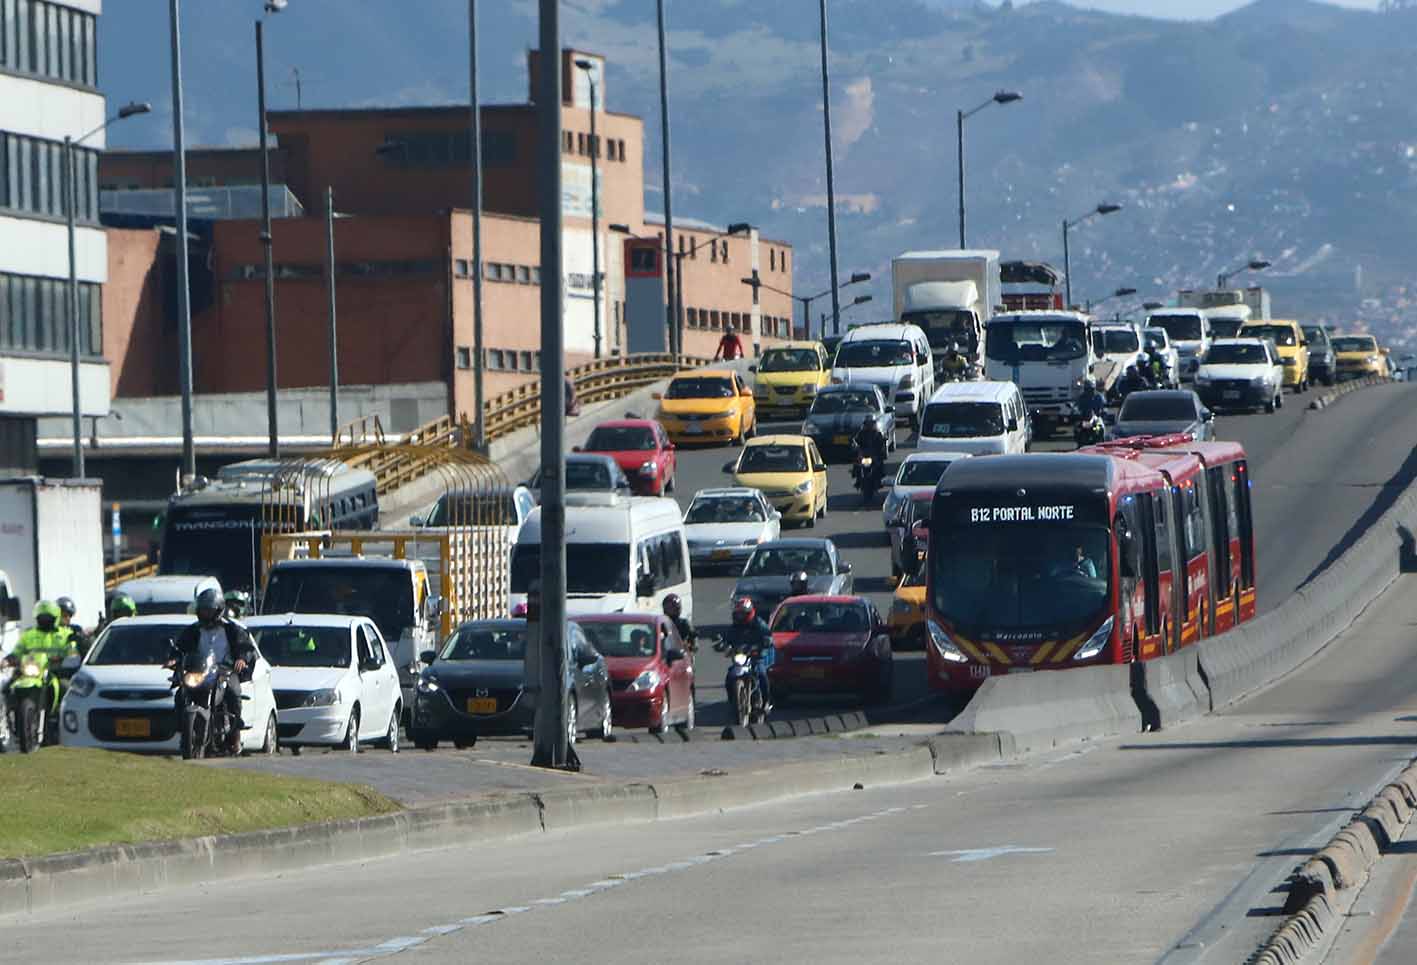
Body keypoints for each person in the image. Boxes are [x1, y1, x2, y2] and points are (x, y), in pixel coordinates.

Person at [172, 585, 257, 752]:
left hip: (224, 671)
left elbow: (245, 646)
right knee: (180, 694)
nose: (205, 614)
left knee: (234, 693)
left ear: (218, 610)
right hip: (199, 671)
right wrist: (173, 659)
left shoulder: (232, 629)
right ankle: (182, 730)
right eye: (202, 610)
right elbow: (179, 647)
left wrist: (241, 658)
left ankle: (235, 736)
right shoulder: (193, 630)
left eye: (208, 611)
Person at [5, 600, 77, 714]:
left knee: (67, 689)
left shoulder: (65, 634)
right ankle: (8, 715)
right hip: (30, 671)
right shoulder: (29, 634)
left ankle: (64, 718)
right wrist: (7, 660)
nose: (45, 621)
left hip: (55, 671)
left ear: (55, 618)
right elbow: (17, 651)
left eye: (49, 618)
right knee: (8, 686)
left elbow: (72, 651)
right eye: (42, 618)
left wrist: (65, 658)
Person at [721, 597, 773, 713]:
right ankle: (732, 703)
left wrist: (764, 642)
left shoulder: (759, 623)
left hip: (756, 656)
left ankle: (766, 702)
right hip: (740, 657)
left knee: (761, 674)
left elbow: (767, 635)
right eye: (739, 613)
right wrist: (723, 645)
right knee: (729, 677)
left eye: (743, 613)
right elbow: (727, 638)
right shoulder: (734, 627)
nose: (741, 616)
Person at [852, 418, 888, 489]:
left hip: (874, 454)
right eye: (867, 424)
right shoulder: (861, 433)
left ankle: (880, 480)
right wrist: (855, 445)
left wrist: (883, 443)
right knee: (857, 464)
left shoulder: (877, 433)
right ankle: (858, 480)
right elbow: (856, 440)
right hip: (864, 454)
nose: (869, 425)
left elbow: (882, 441)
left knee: (880, 464)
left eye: (871, 424)